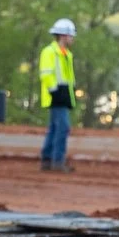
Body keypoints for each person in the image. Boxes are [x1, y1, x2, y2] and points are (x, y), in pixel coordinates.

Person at [39, 18, 78, 172]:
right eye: (71, 35)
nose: (72, 38)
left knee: (55, 128)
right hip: (56, 95)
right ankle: (57, 161)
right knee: (62, 128)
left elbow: (68, 77)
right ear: (63, 36)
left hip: (63, 95)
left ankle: (47, 160)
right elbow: (46, 74)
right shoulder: (50, 52)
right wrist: (55, 90)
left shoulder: (66, 54)